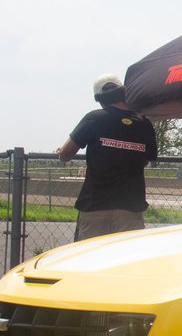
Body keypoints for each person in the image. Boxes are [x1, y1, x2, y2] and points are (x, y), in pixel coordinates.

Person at [57, 74, 158, 241]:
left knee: (90, 254)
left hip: (95, 205)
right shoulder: (143, 123)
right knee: (127, 255)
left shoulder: (94, 118)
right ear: (123, 92)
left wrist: (60, 152)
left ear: (98, 99)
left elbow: (66, 155)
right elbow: (147, 159)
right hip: (130, 207)